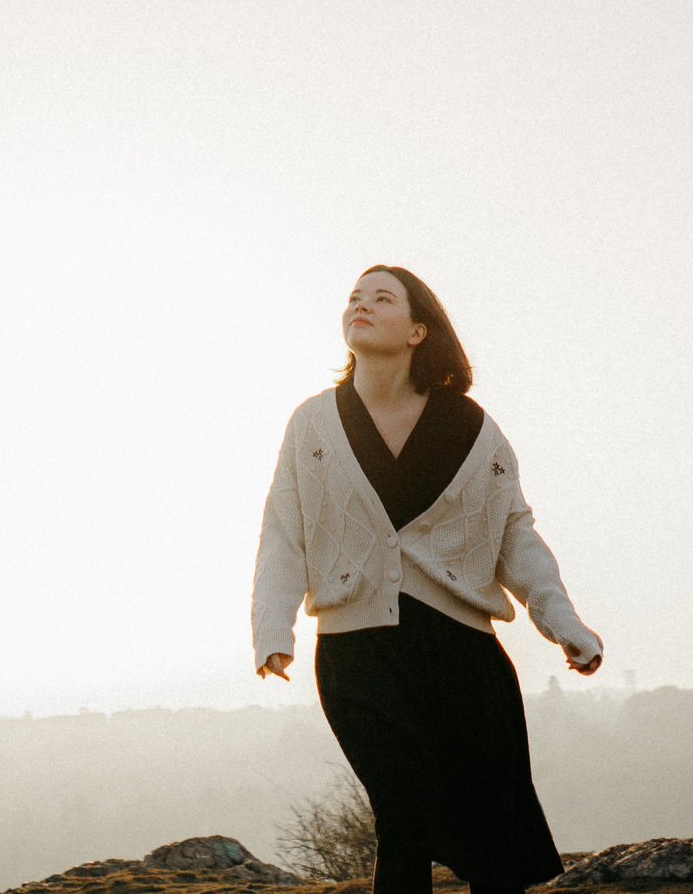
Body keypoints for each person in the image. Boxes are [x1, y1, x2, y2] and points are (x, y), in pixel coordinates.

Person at [252, 265, 603, 894]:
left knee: (496, 839)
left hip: (463, 656)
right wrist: (273, 627)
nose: (360, 305)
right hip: (357, 652)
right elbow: (283, 532)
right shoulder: (312, 425)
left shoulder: (472, 428)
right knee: (402, 810)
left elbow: (515, 533)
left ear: (418, 330)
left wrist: (562, 622)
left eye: (381, 299)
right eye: (354, 298)